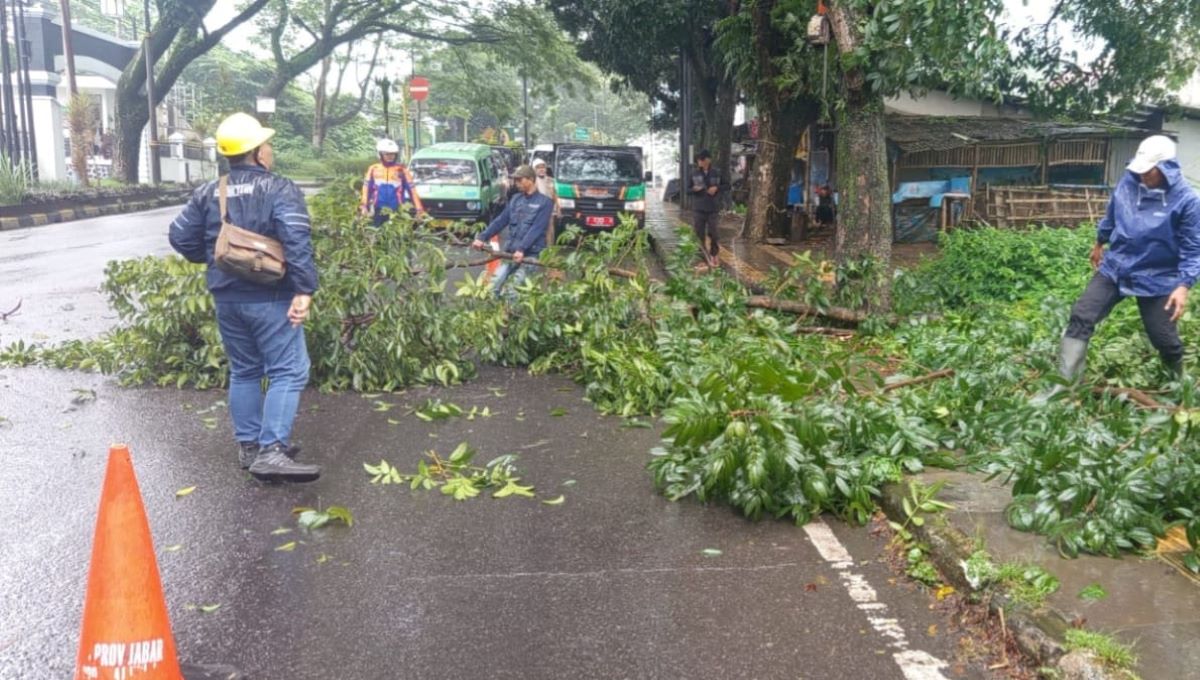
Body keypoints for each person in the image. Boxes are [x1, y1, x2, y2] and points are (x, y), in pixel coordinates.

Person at [168, 112, 321, 483]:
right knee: (289, 369)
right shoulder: (279, 188)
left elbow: (179, 237)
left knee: (245, 369)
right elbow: (296, 240)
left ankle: (250, 447)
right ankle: (272, 450)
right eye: (266, 144)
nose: (270, 149)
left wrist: (218, 260)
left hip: (227, 298)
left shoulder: (210, 191)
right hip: (271, 297)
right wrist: (304, 290)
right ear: (256, 152)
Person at [1052, 135, 1200, 389]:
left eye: (1149, 171)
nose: (1143, 175)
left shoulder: (1187, 201)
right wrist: (1100, 242)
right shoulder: (1129, 183)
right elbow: (1112, 213)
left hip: (1159, 277)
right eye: (1140, 170)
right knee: (1082, 315)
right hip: (1117, 266)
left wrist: (1183, 285)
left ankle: (1179, 385)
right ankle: (1064, 386)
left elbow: (1193, 248)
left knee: (1163, 338)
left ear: (1167, 169)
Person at [470, 164, 554, 299]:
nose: (516, 183)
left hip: (530, 255)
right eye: (515, 180)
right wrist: (482, 237)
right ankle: (499, 311)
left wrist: (521, 249)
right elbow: (501, 220)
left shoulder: (545, 203)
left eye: (520, 180)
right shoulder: (516, 199)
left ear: (531, 179)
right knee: (493, 285)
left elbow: (536, 229)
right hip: (510, 252)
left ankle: (512, 312)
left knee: (512, 290)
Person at [361, 139, 423, 226]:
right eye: (387, 154)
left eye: (393, 154)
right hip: (378, 209)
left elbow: (412, 191)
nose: (390, 156)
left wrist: (419, 209)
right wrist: (364, 206)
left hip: (397, 210)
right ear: (380, 154)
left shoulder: (402, 170)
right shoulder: (373, 169)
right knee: (377, 232)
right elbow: (366, 190)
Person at [690, 149, 728, 268]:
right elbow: (687, 189)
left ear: (708, 160)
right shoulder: (694, 173)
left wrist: (717, 188)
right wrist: (694, 189)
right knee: (699, 234)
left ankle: (714, 254)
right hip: (699, 208)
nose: (700, 162)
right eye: (698, 160)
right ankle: (702, 258)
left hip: (713, 207)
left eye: (702, 159)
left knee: (714, 233)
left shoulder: (717, 173)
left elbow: (727, 185)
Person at [532, 158, 560, 246]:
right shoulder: (532, 181)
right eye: (538, 168)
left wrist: (558, 208)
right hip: (536, 211)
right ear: (534, 170)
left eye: (543, 167)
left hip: (549, 210)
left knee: (550, 231)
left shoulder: (551, 180)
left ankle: (549, 249)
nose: (541, 169)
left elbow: (555, 195)